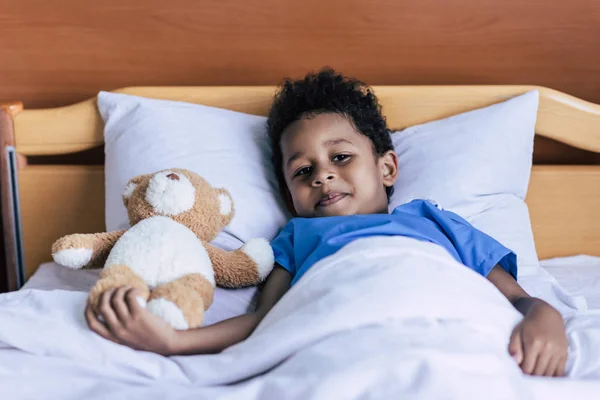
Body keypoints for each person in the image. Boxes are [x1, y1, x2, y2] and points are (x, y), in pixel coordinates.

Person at [85, 68, 568, 377]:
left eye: (340, 155)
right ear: (289, 192)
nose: (323, 174)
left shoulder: (433, 221)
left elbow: (520, 300)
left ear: (387, 168)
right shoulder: (297, 237)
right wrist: (172, 341)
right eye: (302, 170)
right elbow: (266, 324)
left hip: (446, 324)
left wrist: (547, 321)